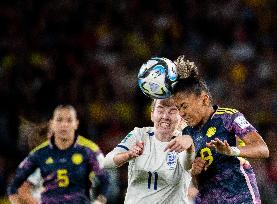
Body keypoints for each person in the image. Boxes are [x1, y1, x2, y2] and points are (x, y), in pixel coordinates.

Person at [171, 55, 269, 204]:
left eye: (184, 106)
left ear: (204, 99)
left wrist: (232, 151)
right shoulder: (187, 134)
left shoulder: (228, 118)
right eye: (178, 109)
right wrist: (196, 173)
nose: (182, 113)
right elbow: (195, 183)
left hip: (241, 197)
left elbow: (263, 149)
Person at [7, 105, 109, 204]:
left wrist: (99, 200)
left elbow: (105, 179)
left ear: (76, 124)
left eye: (68, 121)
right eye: (59, 121)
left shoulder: (89, 151)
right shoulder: (40, 156)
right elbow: (19, 188)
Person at [104, 98, 195, 204]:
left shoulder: (185, 141)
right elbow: (107, 162)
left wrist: (190, 147)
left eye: (172, 111)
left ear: (182, 118)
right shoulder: (139, 134)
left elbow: (188, 164)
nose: (165, 116)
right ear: (152, 115)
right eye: (160, 111)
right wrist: (128, 155)